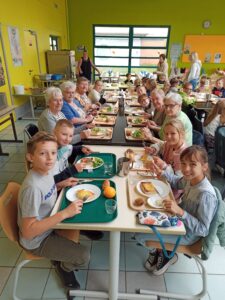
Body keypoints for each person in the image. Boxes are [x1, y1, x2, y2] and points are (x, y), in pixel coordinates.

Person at [17, 132, 90, 289]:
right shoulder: (32, 188)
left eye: (53, 152)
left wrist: (60, 185)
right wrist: (64, 214)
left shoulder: (45, 170)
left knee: (83, 212)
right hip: (37, 240)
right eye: (43, 153)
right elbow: (28, 232)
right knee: (83, 256)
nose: (50, 158)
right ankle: (64, 268)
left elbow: (47, 191)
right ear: (30, 157)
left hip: (49, 222)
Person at [136, 145, 218, 276]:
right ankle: (161, 250)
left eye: (192, 164)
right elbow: (176, 182)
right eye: (183, 163)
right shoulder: (190, 179)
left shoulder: (205, 195)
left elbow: (203, 230)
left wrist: (180, 212)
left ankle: (167, 253)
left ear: (204, 166)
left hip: (188, 234)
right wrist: (161, 173)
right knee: (139, 219)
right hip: (177, 220)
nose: (186, 169)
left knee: (139, 236)